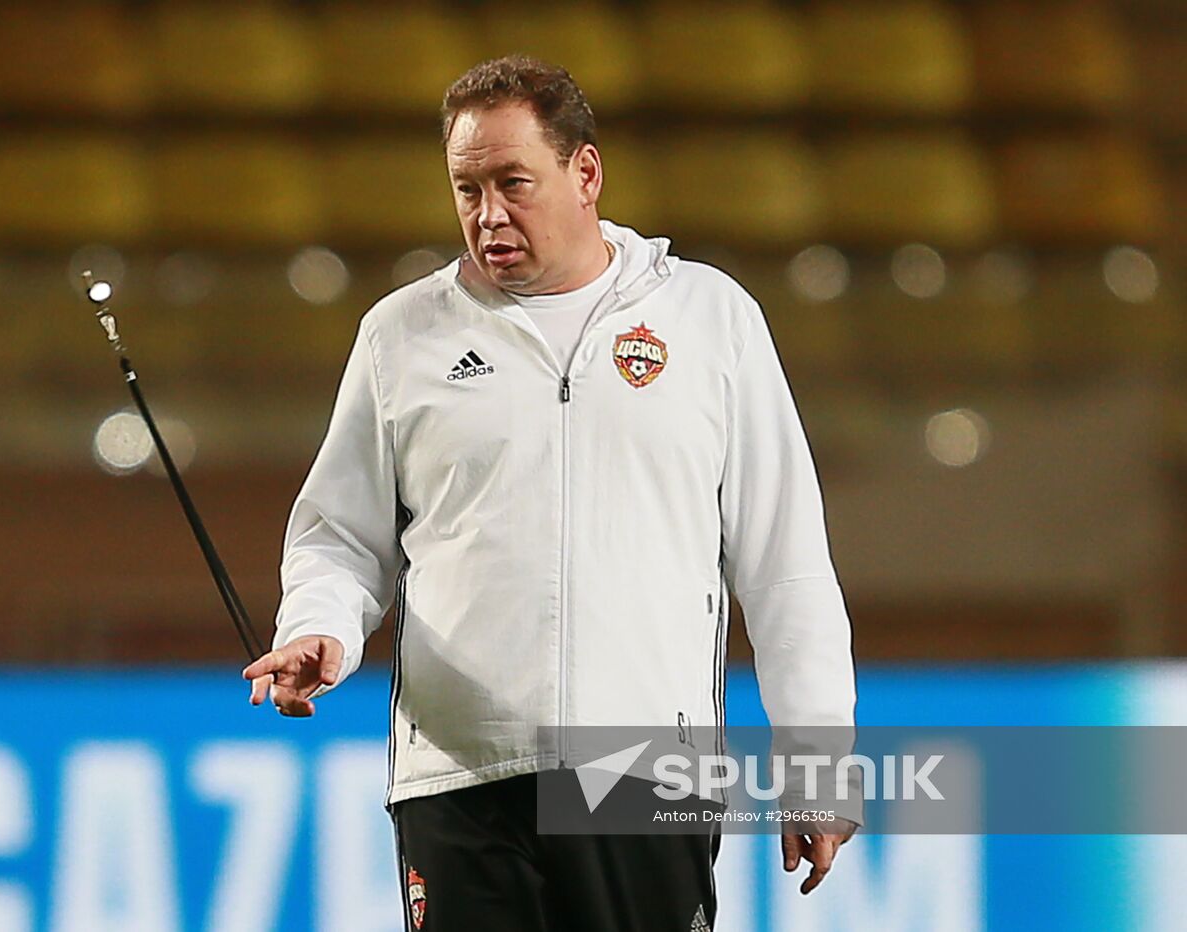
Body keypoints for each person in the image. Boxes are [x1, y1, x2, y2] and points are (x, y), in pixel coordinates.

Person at [244, 55, 858, 931]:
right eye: (467, 189)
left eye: (512, 183)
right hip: (461, 778)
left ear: (586, 173)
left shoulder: (710, 320)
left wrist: (818, 764)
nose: (487, 214)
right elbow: (340, 536)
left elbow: (785, 564)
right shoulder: (401, 336)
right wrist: (319, 626)